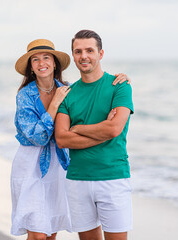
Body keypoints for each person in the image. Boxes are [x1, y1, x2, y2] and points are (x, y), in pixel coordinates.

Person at [11, 38, 130, 240]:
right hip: (31, 166)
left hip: (58, 165)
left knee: (50, 230)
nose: (42, 64)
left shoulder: (66, 89)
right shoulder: (26, 95)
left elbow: (71, 131)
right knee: (38, 233)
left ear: (55, 62)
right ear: (30, 67)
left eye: (46, 58)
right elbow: (41, 137)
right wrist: (55, 104)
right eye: (35, 60)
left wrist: (121, 78)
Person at [55, 30, 134, 240]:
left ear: (100, 54)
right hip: (77, 179)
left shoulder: (120, 86)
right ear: (73, 56)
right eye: (78, 51)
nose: (84, 56)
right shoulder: (67, 93)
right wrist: (103, 129)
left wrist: (79, 129)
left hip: (113, 177)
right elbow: (62, 139)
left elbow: (114, 129)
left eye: (90, 50)